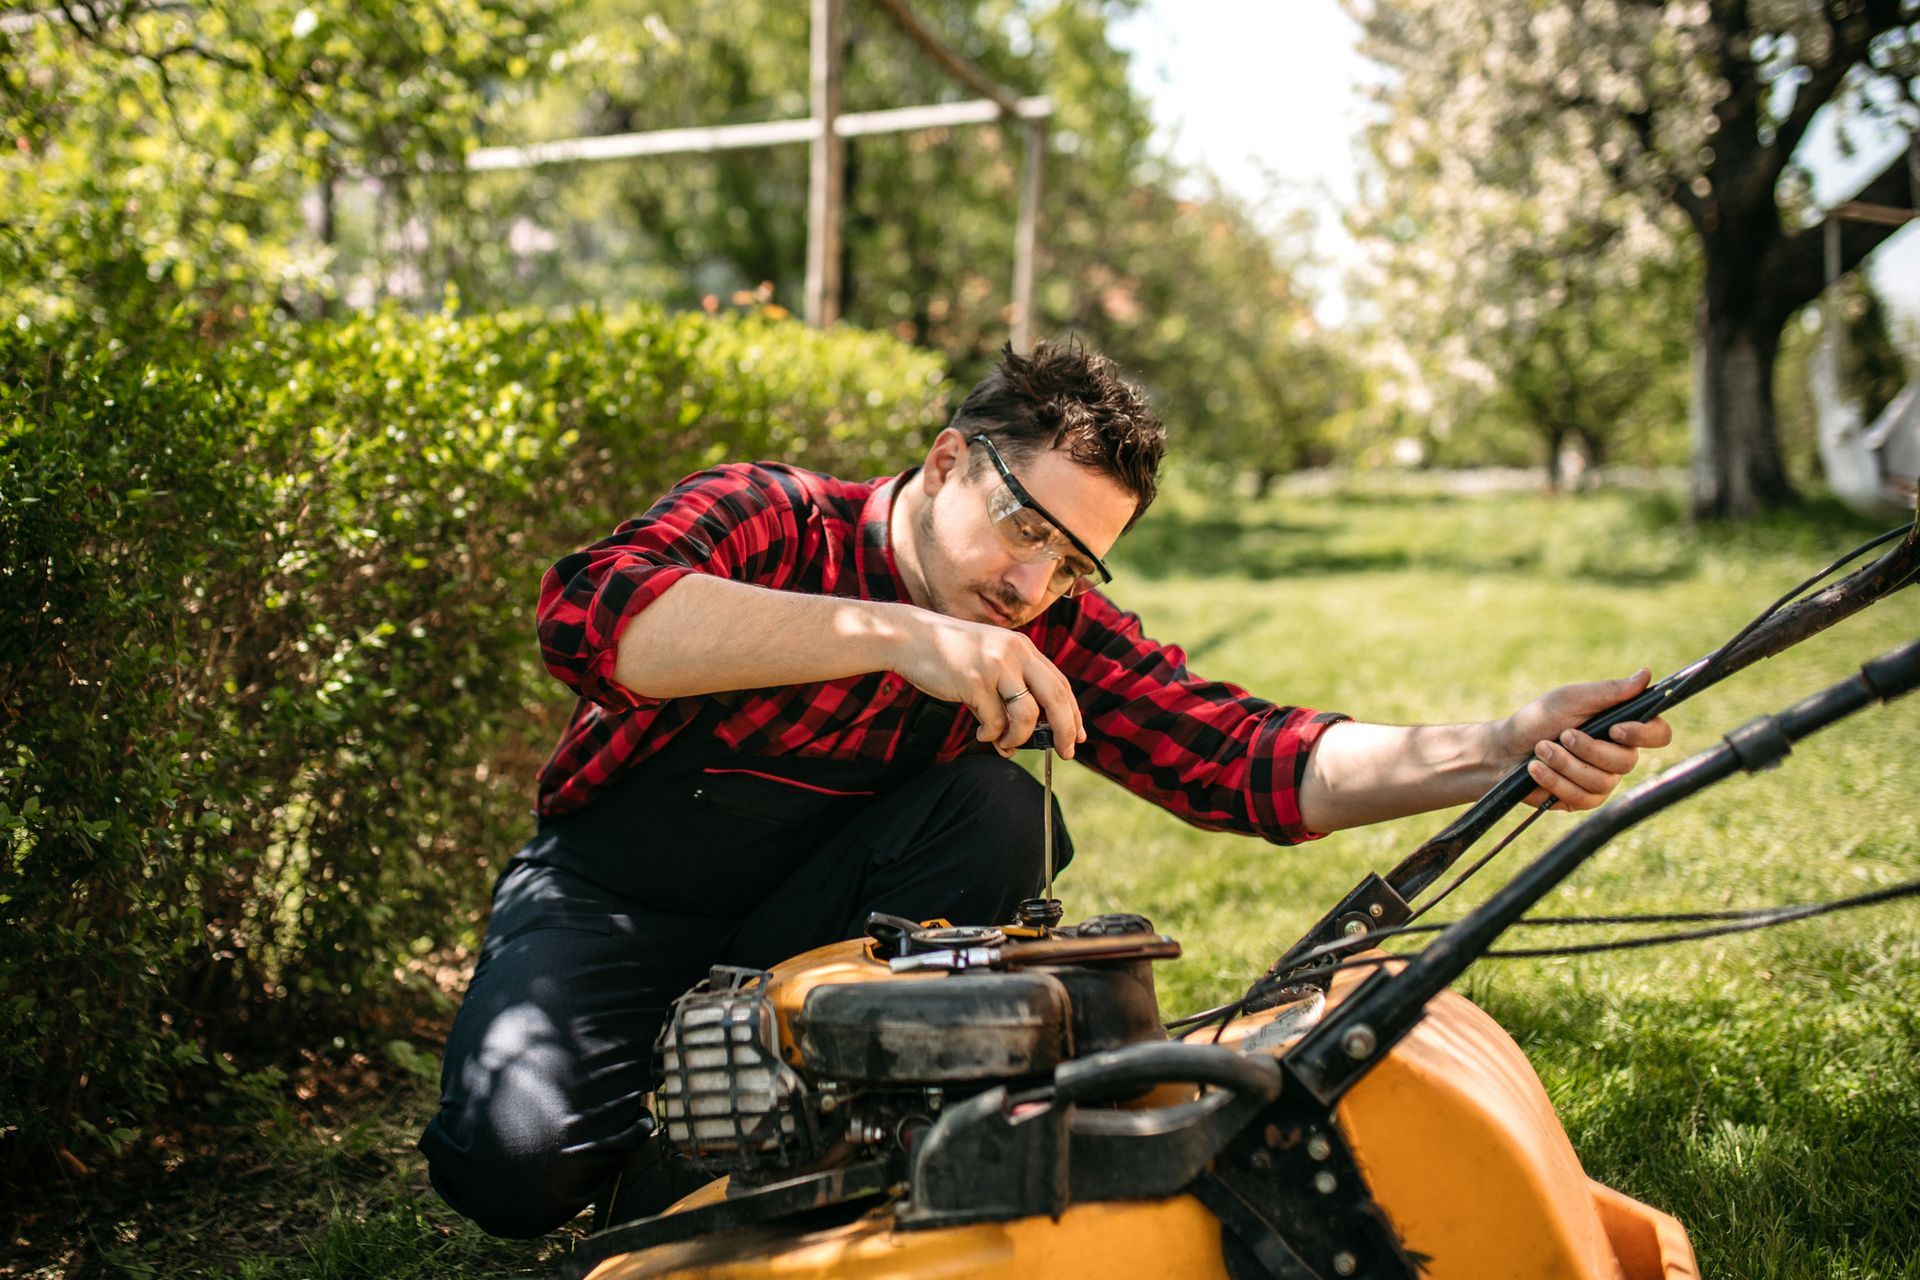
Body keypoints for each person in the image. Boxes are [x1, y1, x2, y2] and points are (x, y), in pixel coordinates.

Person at [417, 340, 1671, 1238]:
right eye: (1026, 529)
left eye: (1076, 566)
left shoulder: (1045, 622)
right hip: (617, 894)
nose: (1035, 589)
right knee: (512, 1173)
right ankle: (667, 1116)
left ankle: (721, 1157)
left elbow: (1245, 756)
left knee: (998, 808)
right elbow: (591, 612)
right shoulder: (776, 515)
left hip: (820, 928)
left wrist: (1498, 743)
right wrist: (892, 634)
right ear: (949, 459)